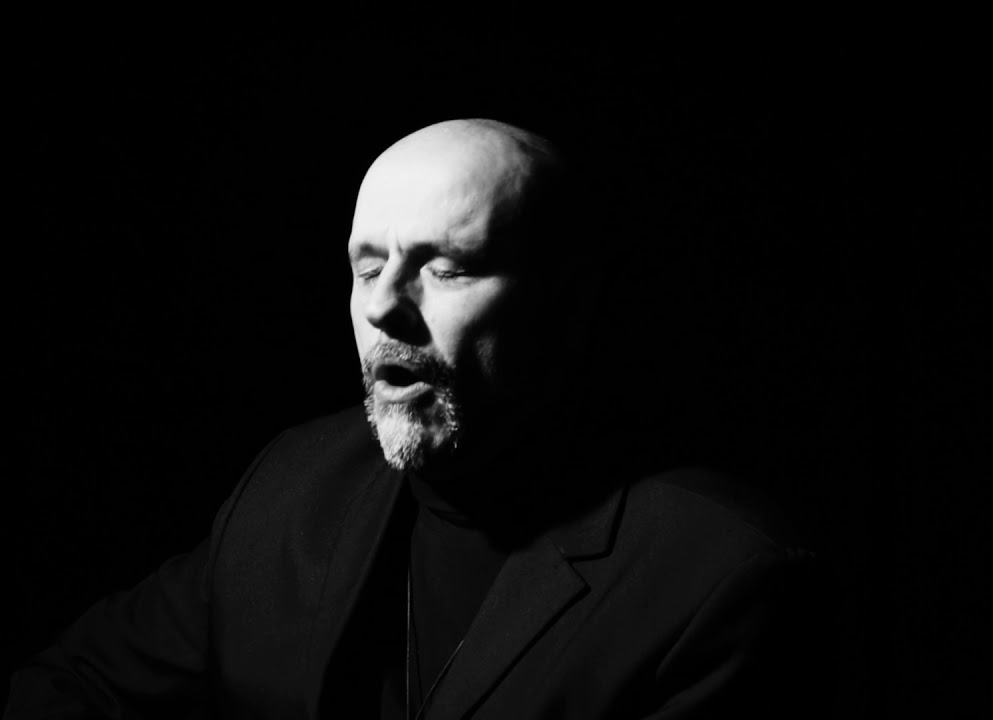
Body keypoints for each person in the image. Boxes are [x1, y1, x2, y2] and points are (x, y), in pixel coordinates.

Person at [5, 119, 830, 719]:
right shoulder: (294, 482)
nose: (385, 309)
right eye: (368, 269)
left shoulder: (719, 576)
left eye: (446, 267)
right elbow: (75, 682)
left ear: (567, 304)